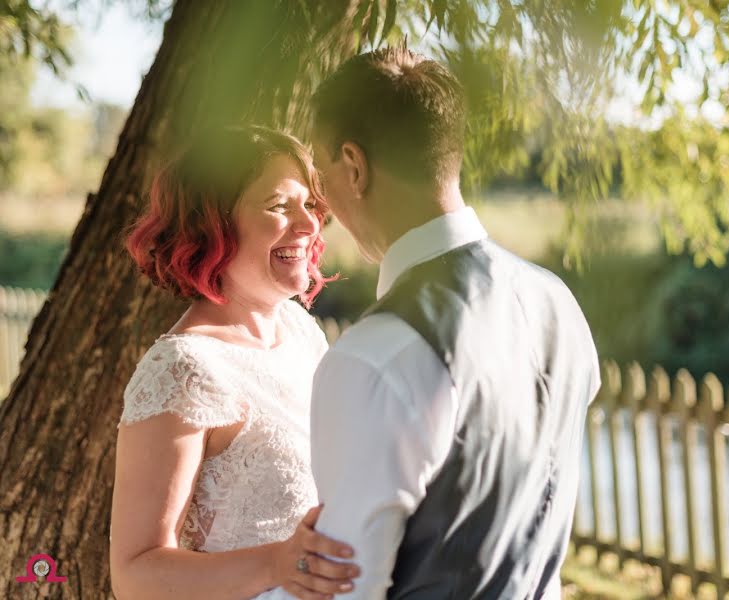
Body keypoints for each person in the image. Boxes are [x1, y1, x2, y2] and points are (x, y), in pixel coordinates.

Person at [258, 47, 601, 599]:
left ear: (354, 166)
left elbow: (345, 590)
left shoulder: (376, 356)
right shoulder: (559, 303)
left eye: (322, 177)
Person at [110, 125, 360, 600]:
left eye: (309, 205)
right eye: (278, 207)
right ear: (213, 224)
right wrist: (276, 563)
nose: (308, 225)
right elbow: (134, 574)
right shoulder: (184, 368)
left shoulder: (302, 332)